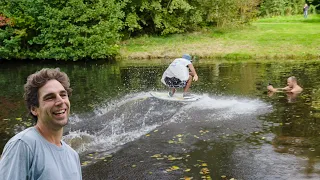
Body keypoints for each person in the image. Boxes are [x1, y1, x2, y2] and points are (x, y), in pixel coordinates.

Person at [0, 68, 82, 180]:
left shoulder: (73, 156)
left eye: (63, 95)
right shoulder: (23, 145)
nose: (60, 102)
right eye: (50, 97)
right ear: (34, 109)